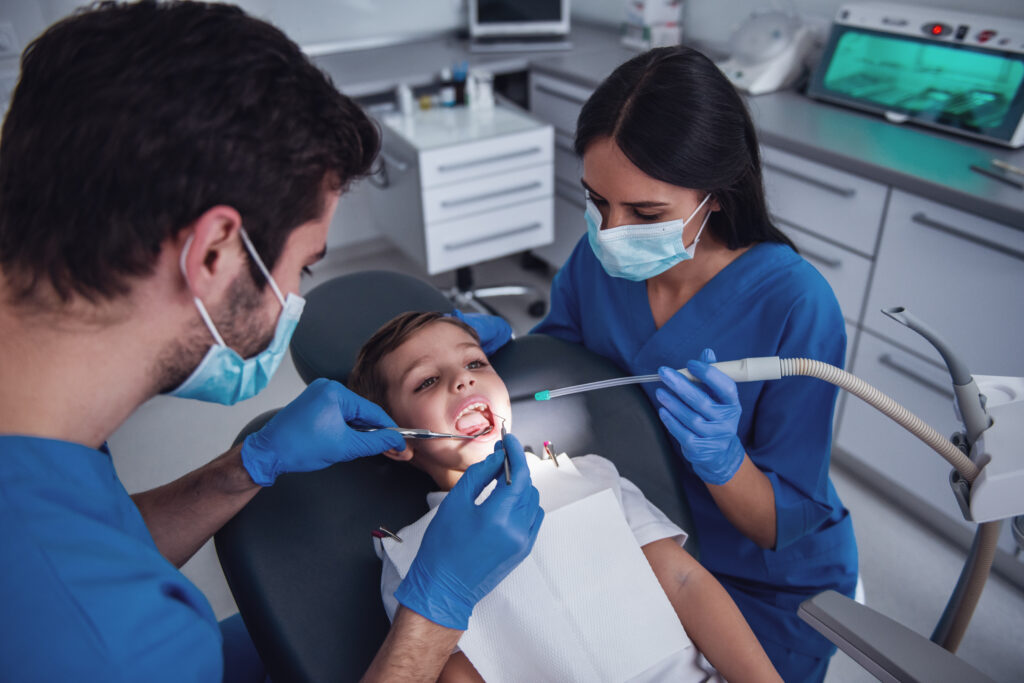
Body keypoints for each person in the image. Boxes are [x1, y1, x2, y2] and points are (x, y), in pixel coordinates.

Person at [0, 3, 540, 681]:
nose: (299, 294)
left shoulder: (36, 425)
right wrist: (437, 607)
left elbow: (91, 537)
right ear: (218, 253)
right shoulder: (110, 645)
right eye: (304, 264)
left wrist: (246, 464)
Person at [511, 47, 858, 681]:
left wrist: (722, 459)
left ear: (718, 196)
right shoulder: (598, 261)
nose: (611, 231)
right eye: (597, 202)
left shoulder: (795, 305)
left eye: (645, 215)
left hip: (759, 577)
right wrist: (480, 355)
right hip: (638, 540)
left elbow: (779, 524)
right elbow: (554, 363)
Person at [346, 311, 782, 683]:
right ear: (396, 440)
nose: (462, 380)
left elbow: (686, 583)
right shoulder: (410, 557)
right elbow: (452, 668)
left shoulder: (591, 475)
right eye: (426, 381)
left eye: (475, 362)